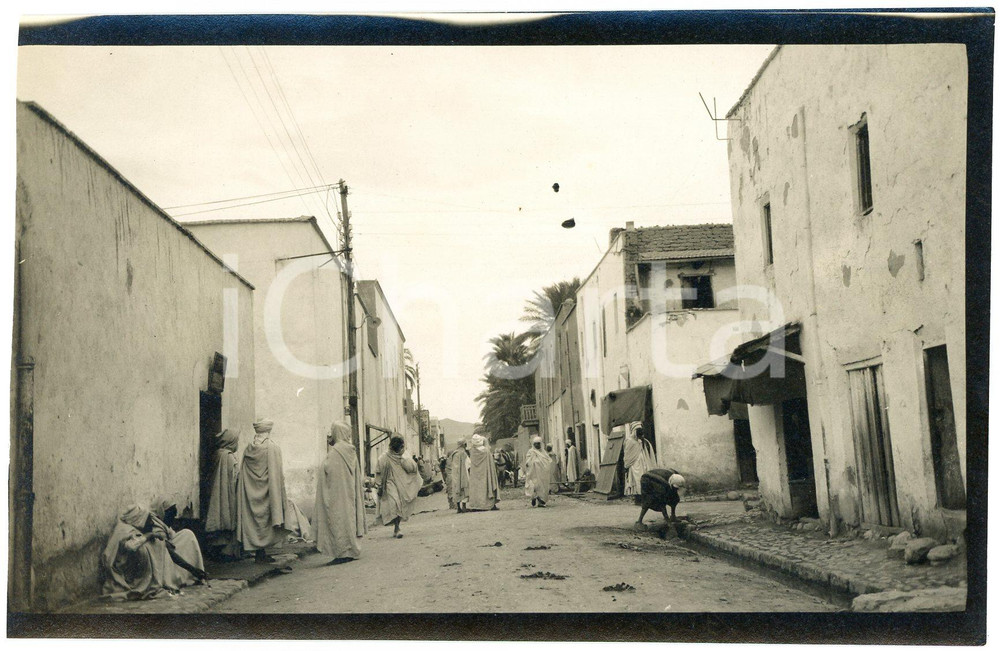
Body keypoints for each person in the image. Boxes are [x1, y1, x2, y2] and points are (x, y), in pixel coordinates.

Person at [100, 503, 207, 599]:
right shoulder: (125, 531)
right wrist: (150, 535)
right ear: (140, 520)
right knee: (146, 548)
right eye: (149, 521)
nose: (152, 523)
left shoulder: (136, 529)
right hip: (124, 574)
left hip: (134, 569)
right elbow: (131, 546)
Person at [237, 418, 292, 563]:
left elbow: (244, 473)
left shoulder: (249, 447)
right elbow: (276, 474)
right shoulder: (271, 447)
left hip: (251, 491)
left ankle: (260, 553)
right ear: (268, 430)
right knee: (266, 521)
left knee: (255, 522)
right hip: (267, 491)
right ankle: (261, 554)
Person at [314, 421, 366, 565]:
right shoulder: (350, 451)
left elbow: (327, 469)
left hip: (336, 494)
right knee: (347, 520)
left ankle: (342, 552)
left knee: (337, 521)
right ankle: (350, 549)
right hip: (349, 494)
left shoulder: (335, 453)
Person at [375, 436, 423, 538]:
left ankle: (397, 526)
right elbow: (378, 472)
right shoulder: (384, 457)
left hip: (402, 485)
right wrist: (379, 486)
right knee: (394, 503)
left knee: (400, 506)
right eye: (400, 448)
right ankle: (397, 528)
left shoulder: (404, 456)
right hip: (390, 484)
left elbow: (412, 469)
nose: (402, 449)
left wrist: (404, 459)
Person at [205, 428, 240, 560]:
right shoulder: (229, 457)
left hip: (216, 493)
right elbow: (236, 477)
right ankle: (226, 553)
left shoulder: (217, 454)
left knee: (217, 515)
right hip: (228, 493)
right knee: (227, 517)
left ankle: (217, 551)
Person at [466, 433, 500, 511]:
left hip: (475, 474)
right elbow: (491, 463)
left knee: (476, 488)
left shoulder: (472, 451)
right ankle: (490, 504)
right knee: (488, 486)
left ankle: (476, 505)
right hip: (486, 473)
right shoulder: (486, 451)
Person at [623, 426, 656, 496]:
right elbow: (627, 453)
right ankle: (637, 495)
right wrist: (628, 462)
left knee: (642, 477)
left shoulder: (640, 441)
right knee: (635, 479)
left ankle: (643, 494)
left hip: (641, 462)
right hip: (633, 463)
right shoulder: (629, 441)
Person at [524, 436, 554, 507]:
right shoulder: (530, 452)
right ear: (533, 444)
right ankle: (534, 498)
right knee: (535, 486)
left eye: (538, 443)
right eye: (535, 444)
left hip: (542, 474)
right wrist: (534, 463)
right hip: (533, 473)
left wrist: (542, 464)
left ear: (541, 444)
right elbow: (528, 462)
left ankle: (541, 501)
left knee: (542, 487)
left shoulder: (543, 453)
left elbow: (547, 462)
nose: (537, 445)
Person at [447, 440, 470, 512]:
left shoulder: (454, 454)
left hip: (454, 474)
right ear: (464, 445)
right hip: (463, 474)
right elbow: (468, 463)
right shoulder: (464, 453)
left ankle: (458, 508)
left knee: (456, 489)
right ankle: (464, 507)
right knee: (464, 489)